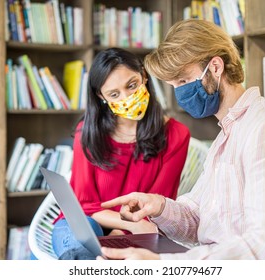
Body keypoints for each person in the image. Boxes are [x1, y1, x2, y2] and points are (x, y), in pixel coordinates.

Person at [99, 19, 265, 260]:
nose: (180, 94)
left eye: (183, 80)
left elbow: (264, 247)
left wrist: (162, 263)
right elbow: (199, 220)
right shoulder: (227, 134)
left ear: (216, 67)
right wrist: (158, 206)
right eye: (174, 85)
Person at [51, 47, 190, 259]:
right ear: (101, 97)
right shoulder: (86, 133)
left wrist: (120, 234)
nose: (127, 98)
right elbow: (83, 205)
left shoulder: (177, 135)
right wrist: (127, 226)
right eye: (114, 94)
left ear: (144, 76)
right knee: (79, 248)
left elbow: (157, 204)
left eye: (132, 85)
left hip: (141, 230)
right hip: (83, 224)